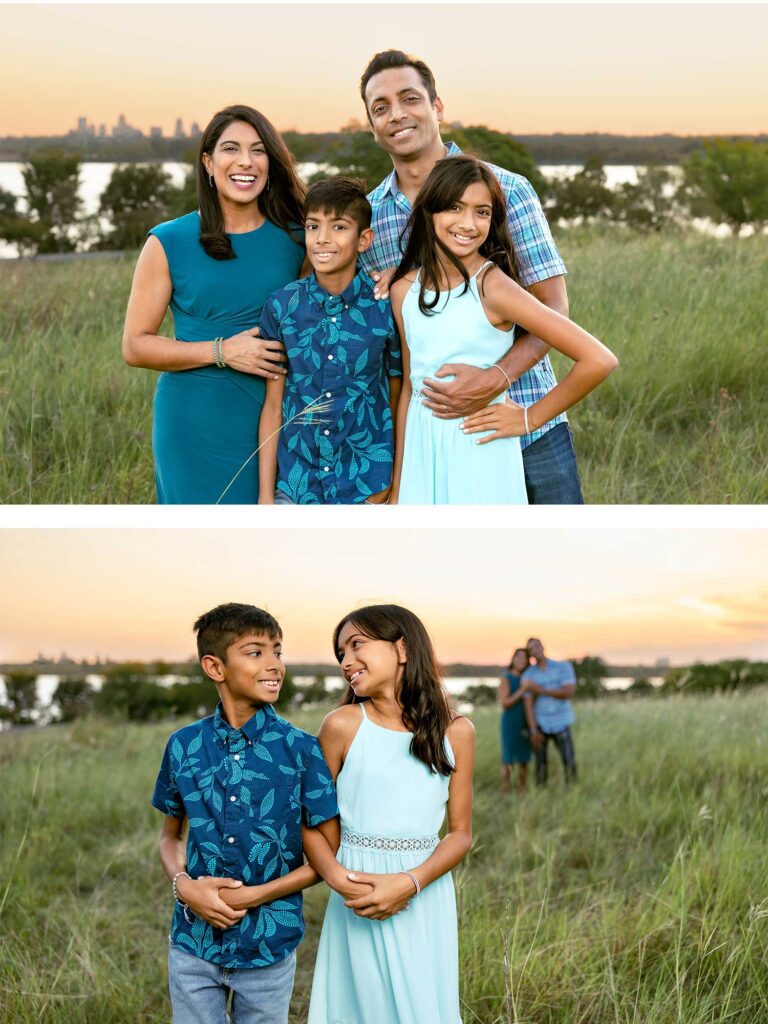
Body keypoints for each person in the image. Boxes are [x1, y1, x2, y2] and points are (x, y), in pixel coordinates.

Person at [357, 49, 584, 504]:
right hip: (434, 444)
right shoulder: (371, 217)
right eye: (381, 107)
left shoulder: (507, 189)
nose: (397, 114)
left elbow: (554, 306)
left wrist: (496, 378)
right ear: (372, 127)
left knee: (557, 548)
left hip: (523, 422)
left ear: (437, 107)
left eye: (409, 98)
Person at [388, 156, 617, 504]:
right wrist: (398, 485)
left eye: (482, 212)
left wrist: (527, 418)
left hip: (480, 448)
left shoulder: (493, 287)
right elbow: (409, 389)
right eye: (455, 207)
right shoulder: (403, 289)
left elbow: (598, 360)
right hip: (422, 454)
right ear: (429, 209)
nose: (468, 223)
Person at [151, 603, 339, 1023]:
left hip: (268, 948)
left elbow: (326, 857)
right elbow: (170, 836)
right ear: (215, 667)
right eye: (256, 652)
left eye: (278, 651)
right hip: (193, 945)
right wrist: (184, 886)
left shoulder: (302, 750)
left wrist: (254, 896)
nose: (274, 664)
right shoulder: (184, 746)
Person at [122, 105, 306, 504]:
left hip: (276, 420)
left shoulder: (299, 238)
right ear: (208, 162)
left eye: (258, 150)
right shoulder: (168, 240)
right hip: (191, 423)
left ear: (271, 164)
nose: (246, 161)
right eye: (231, 149)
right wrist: (223, 351)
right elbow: (135, 346)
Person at [303, 604, 475, 1024]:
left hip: (424, 891)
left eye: (356, 645)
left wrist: (410, 883)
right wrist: (338, 879)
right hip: (357, 892)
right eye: (341, 653)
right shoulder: (341, 725)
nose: (346, 661)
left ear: (402, 648)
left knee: (420, 1008)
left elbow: (460, 834)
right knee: (363, 1008)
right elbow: (307, 821)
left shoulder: (457, 731)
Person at [258, 177, 402, 504]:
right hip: (297, 487)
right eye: (313, 226)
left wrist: (394, 488)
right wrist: (265, 497)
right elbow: (273, 406)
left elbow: (397, 397)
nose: (322, 238)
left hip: (366, 487)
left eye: (338, 227)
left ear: (364, 239)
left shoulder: (386, 307)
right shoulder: (282, 306)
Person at [521, 637, 578, 785]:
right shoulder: (528, 676)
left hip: (561, 722)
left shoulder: (563, 667)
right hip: (541, 724)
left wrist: (539, 690)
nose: (535, 650)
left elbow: (568, 692)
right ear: (530, 654)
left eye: (537, 646)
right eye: (531, 649)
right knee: (540, 764)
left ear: (542, 646)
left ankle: (572, 790)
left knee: (569, 760)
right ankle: (541, 792)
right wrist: (533, 730)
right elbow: (528, 705)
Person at [499, 647, 536, 793]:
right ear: (513, 659)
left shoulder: (528, 679)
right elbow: (504, 703)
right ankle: (506, 791)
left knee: (524, 760)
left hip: (525, 722)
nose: (521, 660)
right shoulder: (506, 678)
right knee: (508, 760)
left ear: (528, 661)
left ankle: (521, 791)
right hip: (510, 722)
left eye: (524, 658)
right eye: (518, 657)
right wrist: (522, 690)